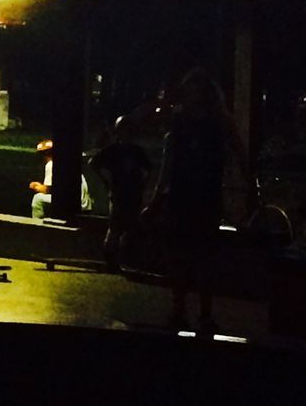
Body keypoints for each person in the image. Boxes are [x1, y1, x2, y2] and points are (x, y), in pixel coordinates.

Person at [144, 68, 254, 334]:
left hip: (195, 196)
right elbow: (171, 163)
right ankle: (192, 311)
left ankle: (187, 310)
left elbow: (170, 162)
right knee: (193, 255)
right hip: (197, 196)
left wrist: (157, 196)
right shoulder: (213, 122)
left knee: (193, 255)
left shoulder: (189, 123)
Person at [90, 117, 152, 271]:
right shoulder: (114, 150)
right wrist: (107, 182)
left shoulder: (136, 151)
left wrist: (142, 185)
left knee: (128, 226)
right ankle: (112, 260)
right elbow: (93, 163)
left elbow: (148, 169)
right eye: (125, 130)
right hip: (119, 193)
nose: (127, 134)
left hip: (132, 193)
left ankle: (123, 259)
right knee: (116, 226)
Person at [29, 139, 92, 219]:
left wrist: (36, 186)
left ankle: (37, 226)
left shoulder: (51, 164)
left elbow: (47, 190)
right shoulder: (68, 162)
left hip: (73, 205)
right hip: (85, 205)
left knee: (37, 198)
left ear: (45, 154)